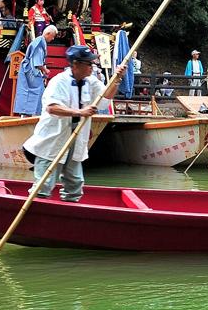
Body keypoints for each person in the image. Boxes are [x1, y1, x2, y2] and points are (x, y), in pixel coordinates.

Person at [22, 45, 127, 202]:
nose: (92, 67)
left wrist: (117, 78)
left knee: (75, 183)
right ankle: (36, 208)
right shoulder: (59, 82)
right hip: (54, 139)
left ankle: (70, 208)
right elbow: (52, 107)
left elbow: (105, 99)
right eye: (89, 64)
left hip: (77, 137)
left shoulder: (90, 82)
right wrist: (79, 112)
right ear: (76, 64)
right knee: (43, 184)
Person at [14, 24, 57, 116]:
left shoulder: (39, 41)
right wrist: (45, 70)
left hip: (29, 70)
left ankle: (27, 114)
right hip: (32, 72)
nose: (53, 39)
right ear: (48, 33)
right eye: (52, 36)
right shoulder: (39, 44)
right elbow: (37, 63)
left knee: (29, 92)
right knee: (36, 92)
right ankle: (32, 115)